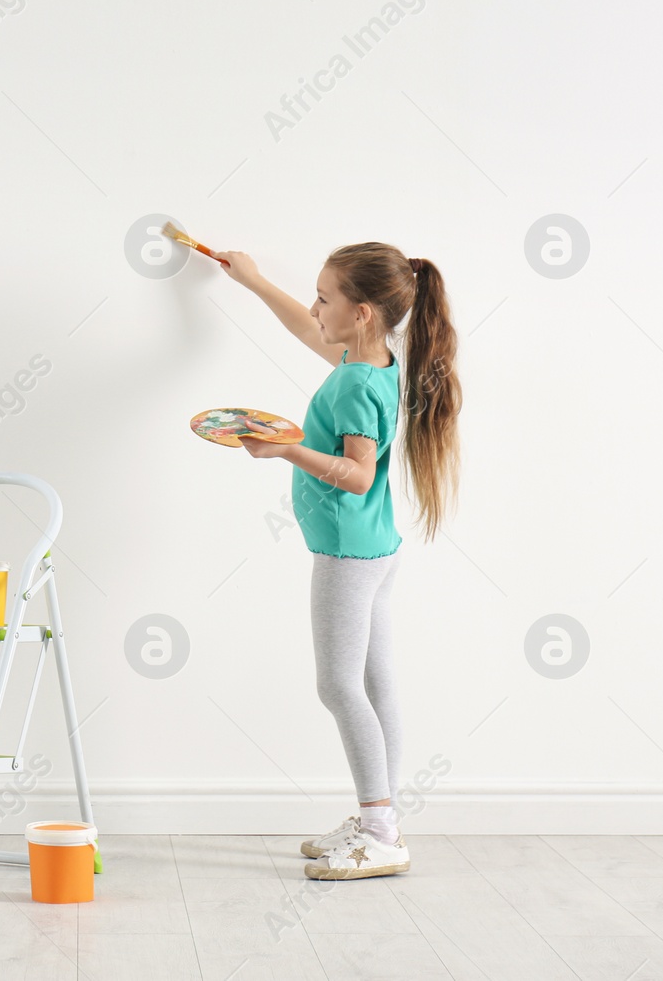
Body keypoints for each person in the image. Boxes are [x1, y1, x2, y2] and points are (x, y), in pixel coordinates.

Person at [214, 243, 462, 880]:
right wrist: (256, 282)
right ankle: (381, 819)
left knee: (338, 686)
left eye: (326, 297)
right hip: (376, 549)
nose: (316, 306)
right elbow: (306, 327)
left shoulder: (355, 380)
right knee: (376, 684)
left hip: (348, 553)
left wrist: (284, 448)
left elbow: (356, 474)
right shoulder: (376, 359)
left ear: (364, 312)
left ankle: (381, 831)